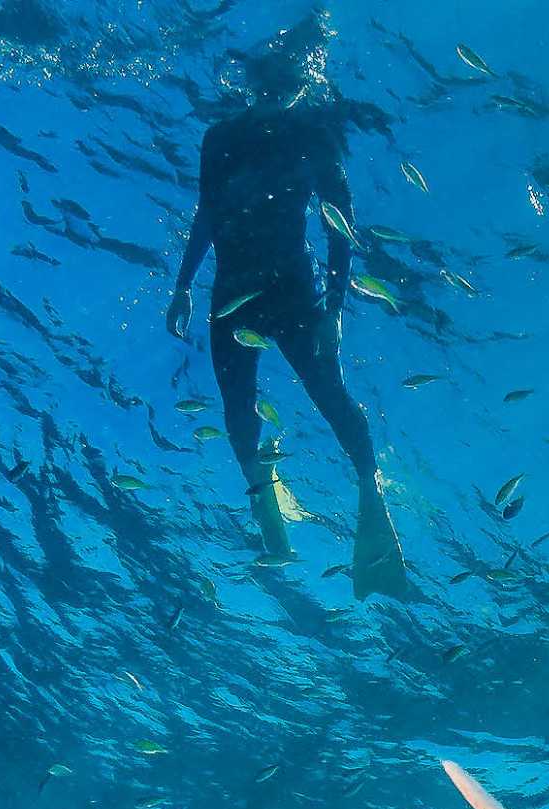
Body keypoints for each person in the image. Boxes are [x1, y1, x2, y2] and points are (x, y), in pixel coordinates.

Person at [165, 12, 407, 599]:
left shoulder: (315, 137)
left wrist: (335, 311)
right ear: (258, 83)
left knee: (328, 393)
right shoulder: (220, 139)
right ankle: (267, 504)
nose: (280, 92)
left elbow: (339, 225)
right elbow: (206, 213)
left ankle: (369, 491)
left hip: (293, 291)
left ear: (301, 85)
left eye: (290, 82)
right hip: (234, 293)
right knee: (237, 405)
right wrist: (182, 285)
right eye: (274, 81)